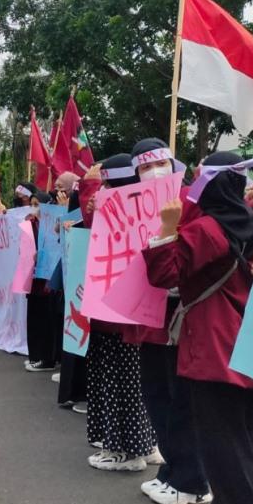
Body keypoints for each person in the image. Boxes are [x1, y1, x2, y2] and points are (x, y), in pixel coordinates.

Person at [145, 151, 253, 504]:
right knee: (246, 446)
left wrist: (167, 228)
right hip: (248, 341)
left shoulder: (207, 229)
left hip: (213, 347)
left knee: (223, 451)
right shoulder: (251, 219)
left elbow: (164, 274)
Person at [120, 140, 211, 504]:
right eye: (143, 168)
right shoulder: (129, 206)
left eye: (158, 164)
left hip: (181, 319)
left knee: (181, 402)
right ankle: (173, 472)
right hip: (148, 319)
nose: (152, 172)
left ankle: (192, 480)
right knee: (157, 397)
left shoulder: (192, 201)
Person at [72, 154, 158, 473]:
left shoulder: (117, 210)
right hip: (137, 314)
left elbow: (96, 228)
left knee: (117, 383)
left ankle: (124, 450)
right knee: (137, 382)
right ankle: (145, 443)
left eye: (107, 183)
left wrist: (90, 187)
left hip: (113, 316)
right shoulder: (148, 208)